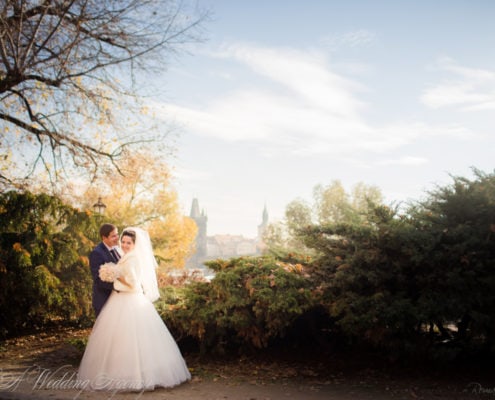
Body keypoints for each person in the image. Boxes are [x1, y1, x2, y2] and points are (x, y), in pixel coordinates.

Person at [78, 227, 191, 391]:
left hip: (129, 299)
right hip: (119, 300)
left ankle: (137, 377)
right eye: (122, 241)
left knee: (132, 339)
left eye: (127, 242)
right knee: (117, 339)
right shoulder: (125, 255)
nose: (123, 244)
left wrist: (115, 277)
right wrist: (111, 273)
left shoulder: (133, 259)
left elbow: (132, 284)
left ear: (134, 244)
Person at [89, 223, 121, 317]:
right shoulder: (97, 253)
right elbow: (98, 280)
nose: (117, 237)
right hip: (103, 299)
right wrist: (119, 286)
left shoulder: (116, 249)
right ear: (104, 237)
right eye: (113, 236)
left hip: (117, 300)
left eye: (117, 234)